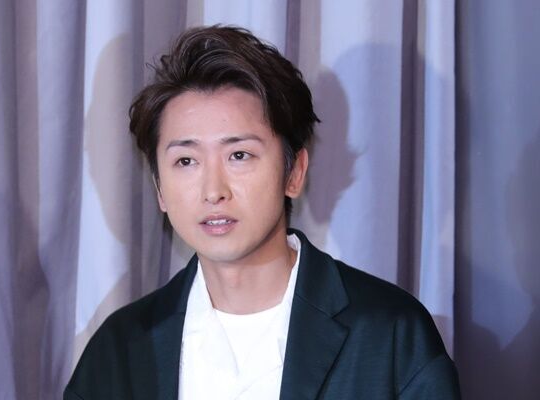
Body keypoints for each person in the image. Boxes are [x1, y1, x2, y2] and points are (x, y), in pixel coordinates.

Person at [64, 25, 460, 400]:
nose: (213, 191)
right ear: (159, 189)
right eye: (186, 161)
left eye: (239, 155)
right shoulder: (117, 350)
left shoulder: (392, 334)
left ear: (294, 172)